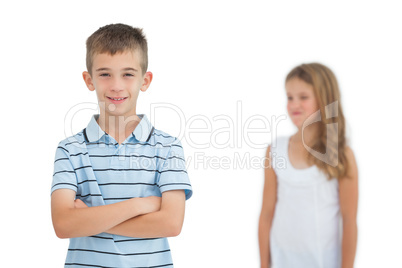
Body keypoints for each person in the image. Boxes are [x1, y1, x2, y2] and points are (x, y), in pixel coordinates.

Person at [51, 23, 192, 268]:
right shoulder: (70, 150)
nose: (116, 85)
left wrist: (89, 219)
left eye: (128, 74)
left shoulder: (168, 147)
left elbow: (170, 223)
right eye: (105, 74)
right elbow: (64, 225)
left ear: (145, 80)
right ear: (89, 79)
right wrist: (140, 205)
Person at [258, 63, 358, 268]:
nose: (294, 104)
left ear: (325, 99)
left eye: (303, 97)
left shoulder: (341, 155)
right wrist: (264, 264)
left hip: (324, 261)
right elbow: (266, 214)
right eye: (289, 97)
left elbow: (349, 220)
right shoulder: (275, 150)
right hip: (282, 259)